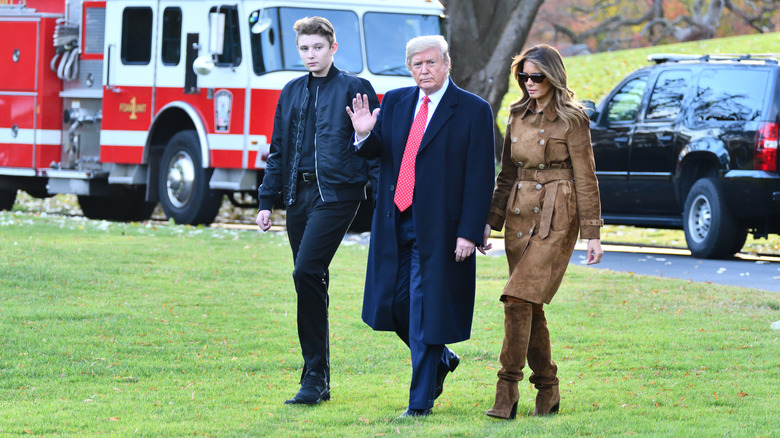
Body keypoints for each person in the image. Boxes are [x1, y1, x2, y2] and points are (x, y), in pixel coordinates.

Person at [346, 35, 495, 418]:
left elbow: (480, 176)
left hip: (442, 229)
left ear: (447, 64)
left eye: (431, 63)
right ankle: (442, 359)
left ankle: (419, 402)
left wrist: (469, 229)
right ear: (409, 67)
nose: (424, 70)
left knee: (425, 311)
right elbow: (380, 150)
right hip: (395, 222)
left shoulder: (473, 109)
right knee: (392, 305)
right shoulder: (395, 101)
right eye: (417, 64)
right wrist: (364, 132)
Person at [256, 16, 379, 406]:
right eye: (305, 49)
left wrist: (384, 199)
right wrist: (266, 200)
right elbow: (278, 149)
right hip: (298, 196)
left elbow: (376, 147)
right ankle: (318, 379)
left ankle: (313, 376)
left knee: (306, 270)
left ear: (333, 48)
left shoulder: (355, 88)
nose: (311, 55)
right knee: (310, 281)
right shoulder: (291, 91)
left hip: (338, 194)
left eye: (318, 48)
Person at [483, 44, 603, 420]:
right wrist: (490, 220)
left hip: (557, 213)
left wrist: (593, 232)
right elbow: (506, 174)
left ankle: (507, 389)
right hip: (519, 215)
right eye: (524, 76)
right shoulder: (516, 115)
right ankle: (548, 391)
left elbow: (586, 177)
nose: (529, 82)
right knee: (528, 305)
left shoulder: (573, 119)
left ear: (553, 76)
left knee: (517, 299)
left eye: (537, 76)